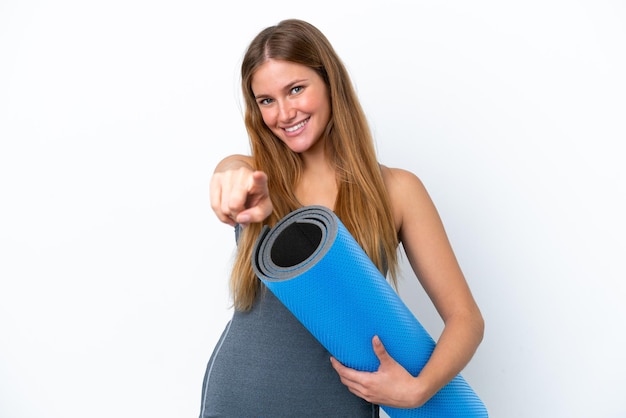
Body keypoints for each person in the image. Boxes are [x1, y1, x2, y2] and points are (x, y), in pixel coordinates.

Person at [200, 18, 484, 417]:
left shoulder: (398, 191)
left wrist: (417, 390)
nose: (283, 113)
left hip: (339, 403)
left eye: (295, 89)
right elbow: (233, 173)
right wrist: (230, 180)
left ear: (330, 81)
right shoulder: (255, 178)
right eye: (266, 101)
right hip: (241, 393)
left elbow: (466, 319)